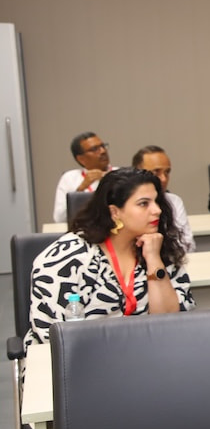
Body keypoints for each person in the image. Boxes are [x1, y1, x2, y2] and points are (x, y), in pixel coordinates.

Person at [27, 168, 195, 346]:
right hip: (80, 360)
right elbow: (54, 336)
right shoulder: (68, 257)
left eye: (156, 201)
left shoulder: (158, 247)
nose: (157, 210)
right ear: (115, 212)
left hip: (146, 356)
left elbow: (170, 323)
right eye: (144, 203)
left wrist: (153, 259)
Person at [132, 145, 196, 252]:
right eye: (156, 172)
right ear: (138, 173)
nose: (164, 178)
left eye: (167, 172)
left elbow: (188, 245)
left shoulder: (174, 201)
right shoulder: (128, 205)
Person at [53, 132, 113, 223]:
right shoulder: (70, 178)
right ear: (81, 159)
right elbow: (59, 218)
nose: (103, 151)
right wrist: (81, 189)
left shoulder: (121, 174)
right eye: (95, 149)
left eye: (103, 146)